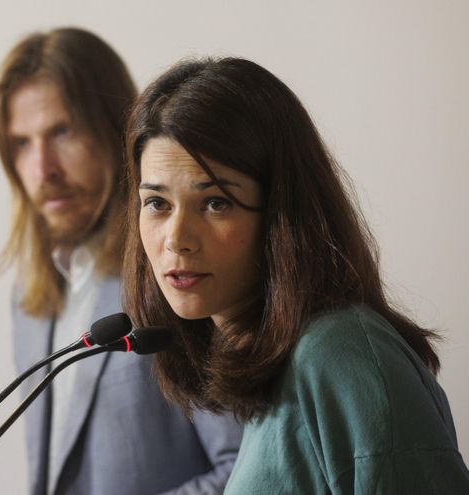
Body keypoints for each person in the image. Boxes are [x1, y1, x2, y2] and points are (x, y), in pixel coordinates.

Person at [123, 57, 469, 493]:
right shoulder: (278, 362)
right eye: (157, 204)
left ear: (281, 214)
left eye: (215, 203)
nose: (176, 239)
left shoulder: (341, 355)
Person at [0, 28, 243, 495]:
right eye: (21, 143)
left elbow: (246, 469)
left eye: (62, 132)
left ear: (115, 129)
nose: (42, 169)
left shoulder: (178, 272)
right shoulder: (30, 298)